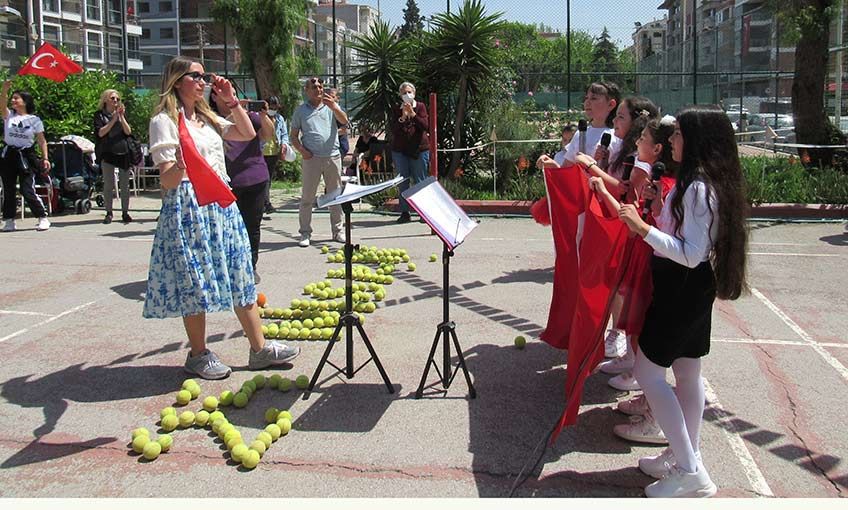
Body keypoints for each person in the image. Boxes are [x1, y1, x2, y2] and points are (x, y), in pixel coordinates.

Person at [616, 105, 749, 497]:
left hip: (682, 287)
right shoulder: (701, 183)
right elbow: (691, 239)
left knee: (649, 373)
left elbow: (690, 252)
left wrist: (642, 229)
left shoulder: (697, 187)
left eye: (677, 135)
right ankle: (683, 454)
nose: (671, 140)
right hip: (690, 286)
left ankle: (691, 472)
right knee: (688, 373)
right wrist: (659, 214)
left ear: (696, 142)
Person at [144, 56, 300, 379]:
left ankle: (259, 349)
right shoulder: (164, 121)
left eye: (205, 76)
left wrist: (231, 102)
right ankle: (198, 354)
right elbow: (167, 180)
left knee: (241, 271)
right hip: (190, 205)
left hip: (222, 203)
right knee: (195, 282)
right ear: (177, 80)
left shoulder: (209, 117)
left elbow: (247, 134)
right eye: (196, 76)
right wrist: (184, 163)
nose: (203, 82)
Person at [211, 91, 273, 285]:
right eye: (225, 94)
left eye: (234, 94)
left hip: (255, 178)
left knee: (251, 227)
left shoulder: (248, 115)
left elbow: (268, 135)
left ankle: (250, 266)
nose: (232, 97)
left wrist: (262, 115)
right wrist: (233, 110)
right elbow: (217, 130)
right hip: (226, 182)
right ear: (213, 97)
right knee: (223, 228)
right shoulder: (209, 117)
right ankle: (224, 267)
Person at [290, 77, 347, 247]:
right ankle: (305, 233)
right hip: (311, 158)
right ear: (307, 90)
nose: (318, 89)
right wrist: (302, 151)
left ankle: (338, 231)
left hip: (332, 157)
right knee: (307, 197)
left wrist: (335, 107)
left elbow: (344, 121)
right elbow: (293, 136)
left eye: (320, 86)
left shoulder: (331, 107)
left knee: (335, 196)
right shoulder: (300, 111)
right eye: (313, 87)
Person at [1, 80, 51, 232]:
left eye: (17, 98)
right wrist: (4, 90)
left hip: (26, 156)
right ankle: (9, 220)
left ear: (25, 101)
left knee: (26, 189)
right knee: (8, 189)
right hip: (9, 154)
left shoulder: (35, 120)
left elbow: (41, 141)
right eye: (13, 98)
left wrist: (45, 158)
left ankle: (42, 217)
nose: (13, 100)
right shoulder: (9, 115)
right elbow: (2, 104)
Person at [389, 81, 430, 224]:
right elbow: (393, 129)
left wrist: (413, 115)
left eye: (409, 92)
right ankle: (405, 212)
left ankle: (423, 212)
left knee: (421, 181)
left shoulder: (420, 107)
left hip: (419, 150)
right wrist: (402, 117)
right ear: (400, 95)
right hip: (400, 151)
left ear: (414, 93)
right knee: (403, 182)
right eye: (404, 92)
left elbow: (425, 126)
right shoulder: (396, 109)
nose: (407, 95)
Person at [94, 89, 134, 224]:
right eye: (112, 98)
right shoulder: (99, 115)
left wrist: (121, 118)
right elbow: (100, 133)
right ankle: (109, 212)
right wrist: (113, 120)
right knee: (109, 184)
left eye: (117, 99)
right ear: (106, 100)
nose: (115, 101)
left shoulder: (121, 114)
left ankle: (125, 212)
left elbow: (128, 131)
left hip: (123, 151)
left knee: (125, 185)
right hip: (108, 152)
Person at [261, 96, 291, 215]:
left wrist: (284, 145)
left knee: (268, 179)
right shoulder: (260, 117)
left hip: (273, 152)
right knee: (263, 179)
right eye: (271, 107)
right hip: (261, 151)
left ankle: (265, 202)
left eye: (275, 107)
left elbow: (284, 134)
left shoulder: (279, 119)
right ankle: (266, 203)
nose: (273, 110)